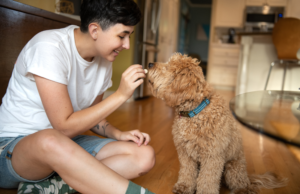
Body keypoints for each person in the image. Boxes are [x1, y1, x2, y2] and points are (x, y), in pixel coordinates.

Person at [0, 0, 156, 193]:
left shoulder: (104, 60)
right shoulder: (49, 47)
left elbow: (91, 116)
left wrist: (119, 134)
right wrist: (120, 95)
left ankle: (54, 185)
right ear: (94, 30)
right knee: (50, 139)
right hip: (13, 148)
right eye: (122, 36)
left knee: (143, 155)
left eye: (129, 36)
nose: (126, 45)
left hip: (67, 143)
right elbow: (63, 128)